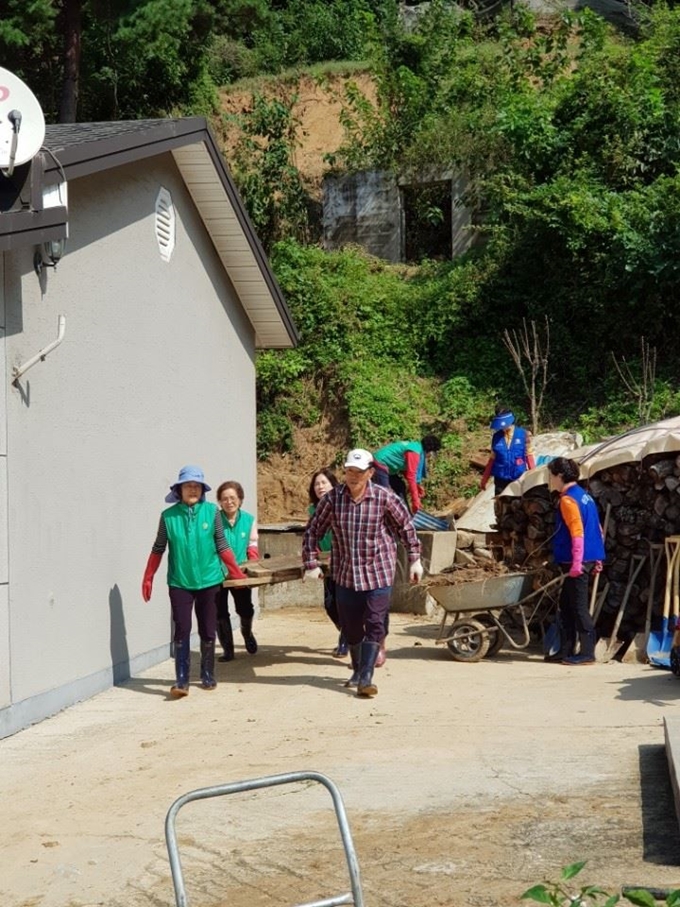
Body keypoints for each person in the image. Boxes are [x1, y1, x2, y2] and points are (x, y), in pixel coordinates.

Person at [303, 448, 423, 698]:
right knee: (351, 628)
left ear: (370, 473)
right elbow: (313, 531)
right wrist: (311, 563)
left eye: (359, 472)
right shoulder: (332, 500)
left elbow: (406, 528)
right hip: (345, 574)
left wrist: (415, 560)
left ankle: (366, 677)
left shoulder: (384, 497)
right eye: (349, 471)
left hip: (378, 571)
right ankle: (358, 670)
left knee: (375, 623)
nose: (353, 476)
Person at [141, 465, 246, 697]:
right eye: (188, 485)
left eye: (196, 486)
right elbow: (159, 548)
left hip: (209, 580)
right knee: (182, 629)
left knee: (208, 629)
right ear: (179, 490)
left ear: (202, 489)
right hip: (180, 581)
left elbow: (222, 545)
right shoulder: (168, 517)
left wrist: (236, 571)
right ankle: (182, 680)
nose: (192, 489)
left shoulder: (213, 513)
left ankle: (207, 674)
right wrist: (148, 576)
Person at [546, 457, 605, 666]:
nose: (550, 480)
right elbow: (597, 529)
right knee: (566, 605)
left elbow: (578, 532)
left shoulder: (568, 500)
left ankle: (587, 652)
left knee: (578, 607)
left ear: (560, 476)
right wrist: (597, 557)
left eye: (551, 475)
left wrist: (577, 563)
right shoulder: (585, 496)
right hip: (586, 557)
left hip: (576, 561)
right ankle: (566, 649)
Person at [215, 481, 260, 661]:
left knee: (245, 609)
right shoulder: (214, 519)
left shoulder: (249, 520)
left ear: (240, 500)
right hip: (218, 573)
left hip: (240, 574)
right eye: (224, 499)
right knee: (219, 612)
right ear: (219, 501)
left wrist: (253, 566)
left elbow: (252, 546)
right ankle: (228, 650)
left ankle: (247, 633)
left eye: (233, 498)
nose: (229, 502)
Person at [308, 468, 348, 658]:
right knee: (329, 604)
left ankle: (345, 640)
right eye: (317, 484)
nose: (320, 487)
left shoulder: (343, 505)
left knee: (343, 602)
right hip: (324, 562)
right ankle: (348, 632)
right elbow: (312, 535)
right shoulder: (312, 509)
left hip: (344, 560)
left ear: (333, 485)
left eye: (324, 482)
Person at [371, 435, 442, 513]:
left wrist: (417, 486)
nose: (430, 456)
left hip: (389, 468)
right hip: (380, 464)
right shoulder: (414, 452)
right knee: (385, 494)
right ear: (430, 450)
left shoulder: (416, 447)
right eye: (433, 453)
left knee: (400, 486)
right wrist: (415, 501)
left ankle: (405, 514)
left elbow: (406, 471)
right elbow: (411, 476)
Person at [480, 406, 535, 496]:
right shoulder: (496, 437)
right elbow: (492, 459)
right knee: (500, 507)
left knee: (518, 507)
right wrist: (484, 479)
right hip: (501, 480)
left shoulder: (523, 434)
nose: (503, 427)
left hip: (518, 478)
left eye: (505, 424)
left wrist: (533, 476)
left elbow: (529, 456)